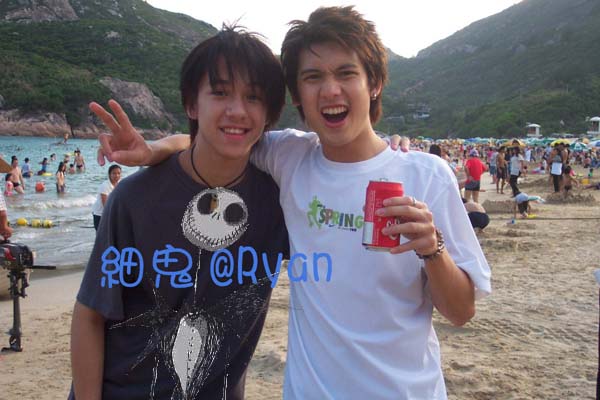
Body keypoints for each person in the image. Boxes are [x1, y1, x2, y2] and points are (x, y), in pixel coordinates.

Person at [97, 7, 491, 399]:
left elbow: (461, 312)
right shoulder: (289, 157)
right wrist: (153, 150)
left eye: (346, 73)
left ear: (374, 83)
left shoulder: (427, 175)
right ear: (297, 94)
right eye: (313, 77)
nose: (330, 90)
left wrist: (432, 249)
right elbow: (223, 134)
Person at [70, 27, 289, 400]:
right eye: (220, 93)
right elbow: (90, 315)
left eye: (253, 97)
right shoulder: (134, 198)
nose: (237, 110)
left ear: (268, 113)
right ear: (191, 105)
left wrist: (386, 159)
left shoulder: (280, 203)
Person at [91, 164, 121, 230]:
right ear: (109, 174)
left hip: (112, 213)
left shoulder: (120, 184)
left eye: (118, 173)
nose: (117, 175)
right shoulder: (105, 186)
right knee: (101, 234)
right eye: (114, 173)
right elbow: (105, 205)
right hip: (100, 214)